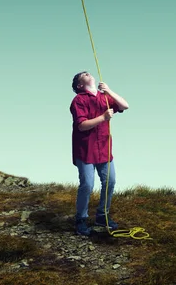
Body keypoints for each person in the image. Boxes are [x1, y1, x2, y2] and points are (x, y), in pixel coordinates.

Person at [69, 71, 129, 236]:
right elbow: (82, 125)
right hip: (85, 150)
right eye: (83, 74)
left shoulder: (104, 97)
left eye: (88, 73)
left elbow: (125, 105)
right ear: (80, 85)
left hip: (104, 148)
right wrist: (103, 117)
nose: (88, 73)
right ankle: (81, 219)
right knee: (87, 185)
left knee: (110, 181)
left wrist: (108, 90)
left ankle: (102, 217)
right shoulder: (78, 100)